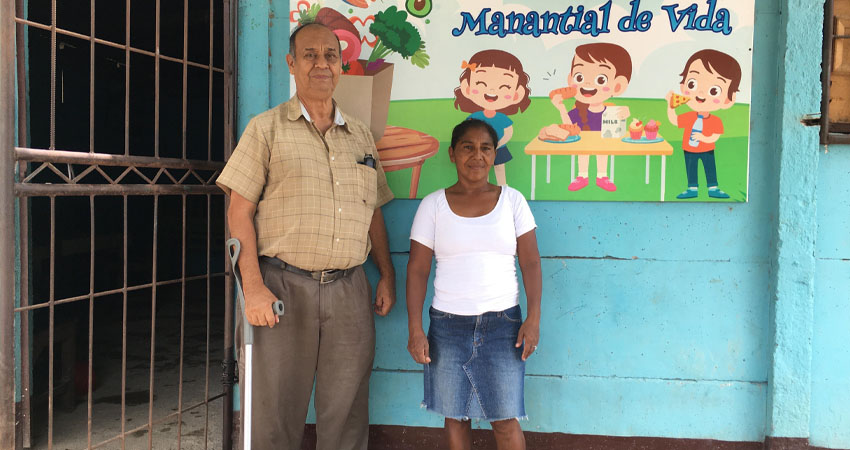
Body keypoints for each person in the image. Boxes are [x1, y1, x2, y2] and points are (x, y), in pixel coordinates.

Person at [215, 22, 395, 450]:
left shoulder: (360, 135)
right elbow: (239, 212)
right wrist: (253, 288)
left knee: (347, 411)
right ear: (291, 63)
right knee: (274, 412)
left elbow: (373, 211)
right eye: (310, 55)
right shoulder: (266, 129)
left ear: (341, 66)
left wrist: (386, 275)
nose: (321, 64)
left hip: (349, 289)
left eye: (330, 55)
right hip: (281, 287)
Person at [406, 119, 542, 450]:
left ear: (494, 155)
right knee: (456, 417)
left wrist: (533, 318)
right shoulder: (433, 205)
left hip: (504, 326)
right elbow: (418, 269)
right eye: (468, 147)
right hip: (447, 327)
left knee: (505, 419)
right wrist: (415, 329)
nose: (477, 156)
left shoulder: (512, 201)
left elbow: (530, 262)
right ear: (452, 154)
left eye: (485, 148)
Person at [550, 43, 632, 192]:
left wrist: (624, 115)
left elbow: (618, 133)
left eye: (601, 79)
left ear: (617, 86)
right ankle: (582, 175)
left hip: (604, 144)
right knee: (583, 152)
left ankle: (602, 176)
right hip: (582, 145)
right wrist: (561, 108)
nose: (587, 83)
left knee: (603, 153)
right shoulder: (577, 110)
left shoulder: (611, 111)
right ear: (570, 79)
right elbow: (568, 128)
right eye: (579, 77)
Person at [665, 49, 741, 199]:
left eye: (714, 91)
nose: (700, 94)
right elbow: (674, 120)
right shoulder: (689, 116)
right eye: (692, 84)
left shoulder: (715, 120)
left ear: (728, 100)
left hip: (707, 150)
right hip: (689, 149)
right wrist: (670, 105)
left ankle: (713, 188)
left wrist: (703, 138)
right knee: (691, 169)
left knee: (710, 168)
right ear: (683, 86)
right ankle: (692, 188)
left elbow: (715, 136)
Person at [453, 49, 532, 186]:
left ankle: (503, 185)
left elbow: (508, 132)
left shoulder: (502, 118)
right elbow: (467, 133)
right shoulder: (475, 117)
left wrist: (498, 144)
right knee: (483, 169)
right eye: (480, 83)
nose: (491, 91)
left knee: (499, 167)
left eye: (504, 86)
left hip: (499, 148)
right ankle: (484, 184)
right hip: (480, 149)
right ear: (467, 87)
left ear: (517, 94)